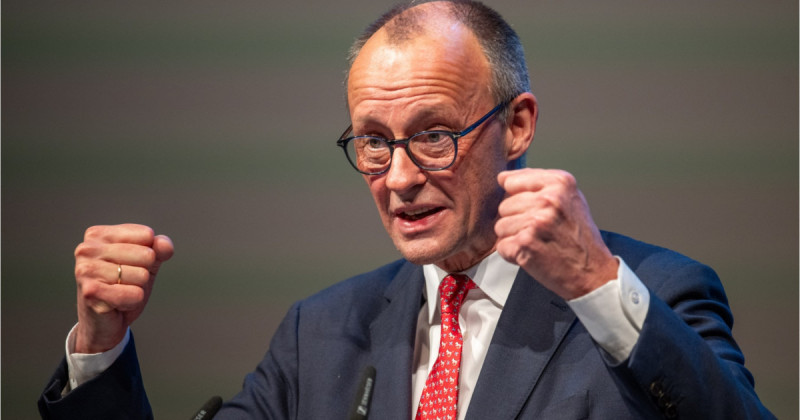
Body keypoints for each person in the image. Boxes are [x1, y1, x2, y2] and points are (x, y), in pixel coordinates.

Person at [39, 1, 775, 419]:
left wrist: (594, 284)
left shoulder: (655, 292)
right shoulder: (319, 333)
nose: (397, 178)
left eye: (433, 136)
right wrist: (101, 346)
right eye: (372, 142)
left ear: (517, 124)